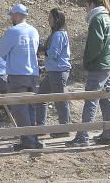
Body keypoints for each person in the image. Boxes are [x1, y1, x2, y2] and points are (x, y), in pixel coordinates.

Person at [68, 0, 110, 148]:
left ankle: (83, 135)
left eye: (86, 4)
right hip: (109, 64)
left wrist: (87, 60)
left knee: (91, 100)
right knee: (106, 99)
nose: (85, 8)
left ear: (91, 4)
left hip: (99, 66)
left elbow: (95, 45)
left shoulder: (97, 20)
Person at [0, 3, 43, 151]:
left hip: (18, 74)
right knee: (31, 108)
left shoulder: (12, 32)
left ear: (17, 15)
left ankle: (28, 141)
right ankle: (34, 138)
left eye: (12, 15)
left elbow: (2, 52)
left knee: (20, 109)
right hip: (33, 74)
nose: (11, 17)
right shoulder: (34, 31)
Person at [35, 8, 72, 138]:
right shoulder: (60, 34)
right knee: (41, 98)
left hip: (58, 71)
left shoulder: (58, 35)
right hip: (54, 71)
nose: (48, 20)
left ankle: (64, 128)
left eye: (50, 18)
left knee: (60, 100)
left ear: (56, 19)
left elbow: (53, 53)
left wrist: (41, 51)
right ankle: (40, 127)